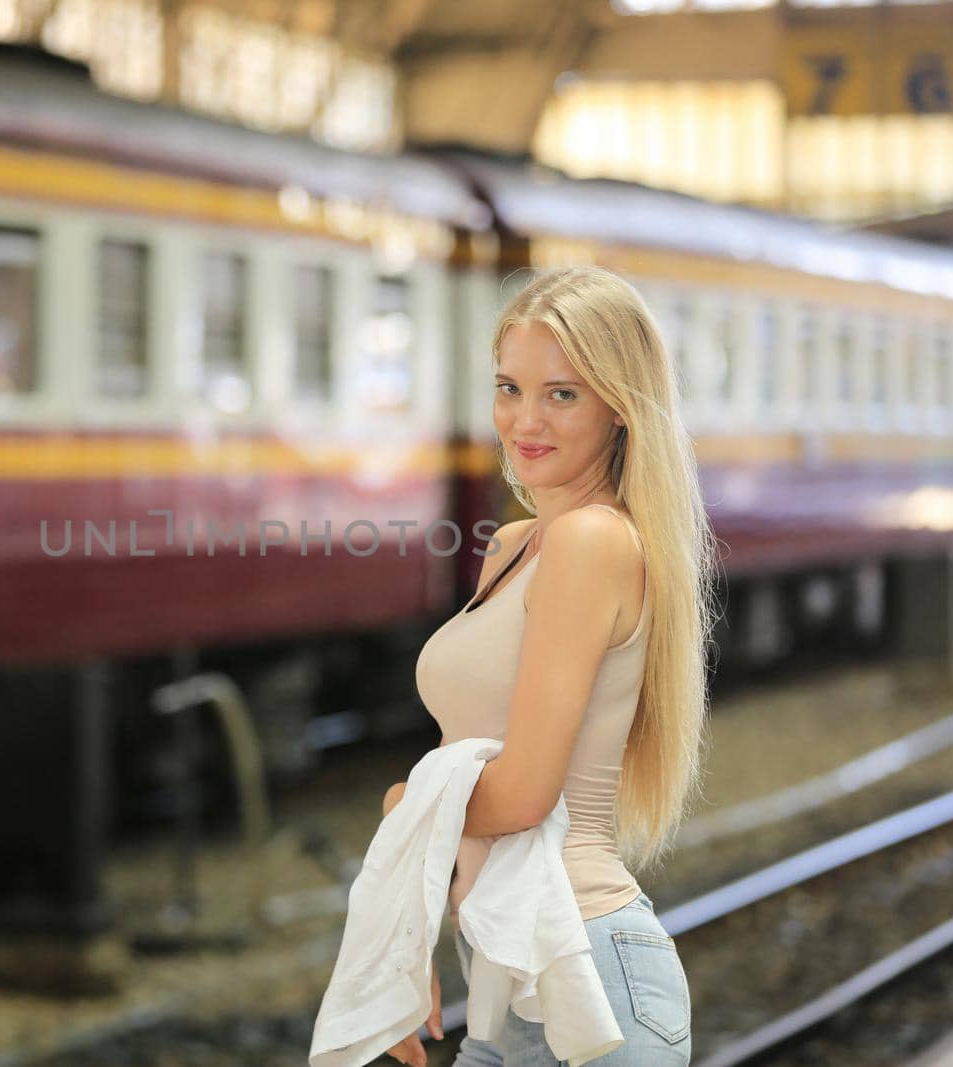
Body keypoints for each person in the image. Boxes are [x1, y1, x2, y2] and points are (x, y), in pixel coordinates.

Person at [381, 266, 718, 1067]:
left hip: (587, 971)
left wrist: (405, 801)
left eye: (562, 394)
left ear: (619, 406)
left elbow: (525, 794)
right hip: (501, 986)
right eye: (509, 387)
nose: (524, 420)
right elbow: (483, 764)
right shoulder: (513, 546)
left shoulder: (591, 541)